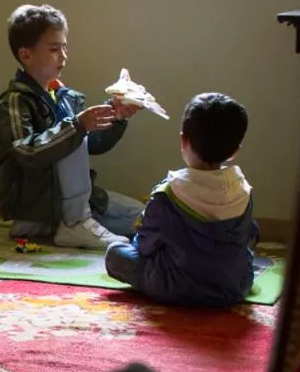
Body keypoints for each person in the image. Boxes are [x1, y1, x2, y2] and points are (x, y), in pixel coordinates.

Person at [0, 4, 144, 250]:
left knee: (146, 220)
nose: (63, 55)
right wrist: (77, 126)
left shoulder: (65, 97)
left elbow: (92, 145)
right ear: (26, 55)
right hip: (35, 204)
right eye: (53, 49)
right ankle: (73, 224)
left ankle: (77, 219)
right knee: (72, 134)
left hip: (73, 198)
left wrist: (117, 115)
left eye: (64, 47)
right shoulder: (14, 102)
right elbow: (26, 152)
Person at [104, 92, 259, 307]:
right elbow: (247, 237)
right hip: (232, 287)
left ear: (183, 140)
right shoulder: (243, 190)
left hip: (174, 286)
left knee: (115, 253)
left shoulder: (168, 193)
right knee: (243, 255)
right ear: (234, 152)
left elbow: (145, 245)